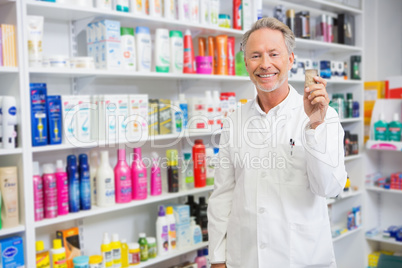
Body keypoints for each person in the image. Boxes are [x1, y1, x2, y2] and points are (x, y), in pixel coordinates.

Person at [207, 17, 347, 268]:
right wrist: (217, 258)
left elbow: (330, 188)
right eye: (255, 56)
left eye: (274, 54)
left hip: (301, 257)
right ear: (246, 63)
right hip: (245, 257)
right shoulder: (234, 121)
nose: (265, 64)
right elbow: (222, 195)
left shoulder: (324, 116)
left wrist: (315, 126)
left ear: (291, 59)